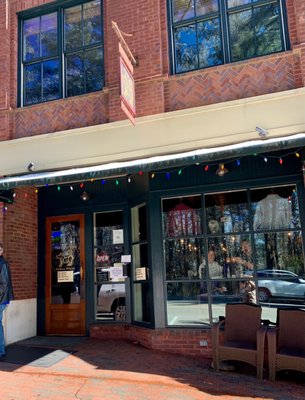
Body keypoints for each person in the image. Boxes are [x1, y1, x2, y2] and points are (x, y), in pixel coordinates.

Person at [0, 243, 13, 360]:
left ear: (1, 251)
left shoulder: (2, 263)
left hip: (1, 299)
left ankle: (1, 351)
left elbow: (4, 284)